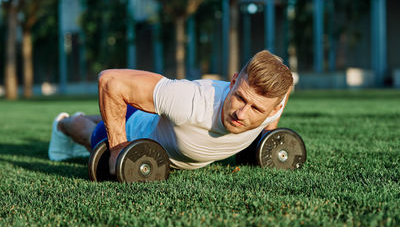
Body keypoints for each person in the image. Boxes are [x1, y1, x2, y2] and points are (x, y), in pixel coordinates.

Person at [48, 50, 293, 174]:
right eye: (239, 97)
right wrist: (116, 150)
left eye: (256, 109)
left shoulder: (273, 106)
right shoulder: (191, 101)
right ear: (233, 81)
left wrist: (267, 136)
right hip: (138, 131)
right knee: (91, 132)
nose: (241, 113)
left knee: (118, 108)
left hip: (165, 121)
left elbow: (285, 89)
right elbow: (110, 80)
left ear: (276, 106)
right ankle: (63, 124)